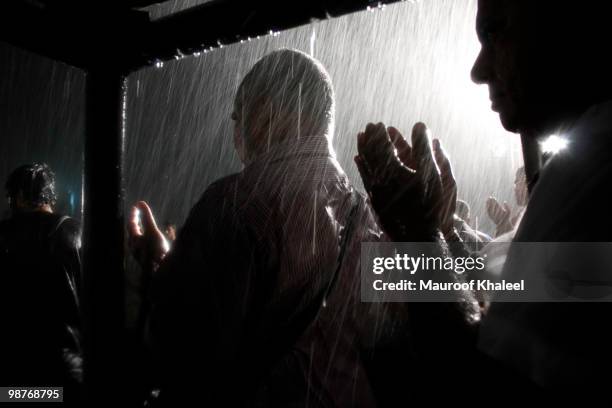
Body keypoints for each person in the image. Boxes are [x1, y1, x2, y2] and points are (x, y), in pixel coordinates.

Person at [355, 0, 612, 404]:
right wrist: (443, 232)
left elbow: (476, 386)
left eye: (495, 31)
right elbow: (511, 323)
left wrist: (417, 233)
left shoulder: (596, 161)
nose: (477, 71)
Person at [129, 49, 389, 406]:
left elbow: (175, 355)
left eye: (236, 118)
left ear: (264, 112)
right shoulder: (373, 214)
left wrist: (155, 277)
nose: (235, 136)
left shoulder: (234, 204)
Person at [0, 163, 83, 400]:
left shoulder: (4, 234)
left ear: (21, 196)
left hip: (13, 366)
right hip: (66, 365)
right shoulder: (77, 232)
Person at [486, 167, 527, 237]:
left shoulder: (536, 214)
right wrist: (503, 222)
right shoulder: (522, 214)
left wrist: (503, 222)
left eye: (517, 182)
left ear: (527, 183)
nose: (515, 188)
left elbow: (516, 246)